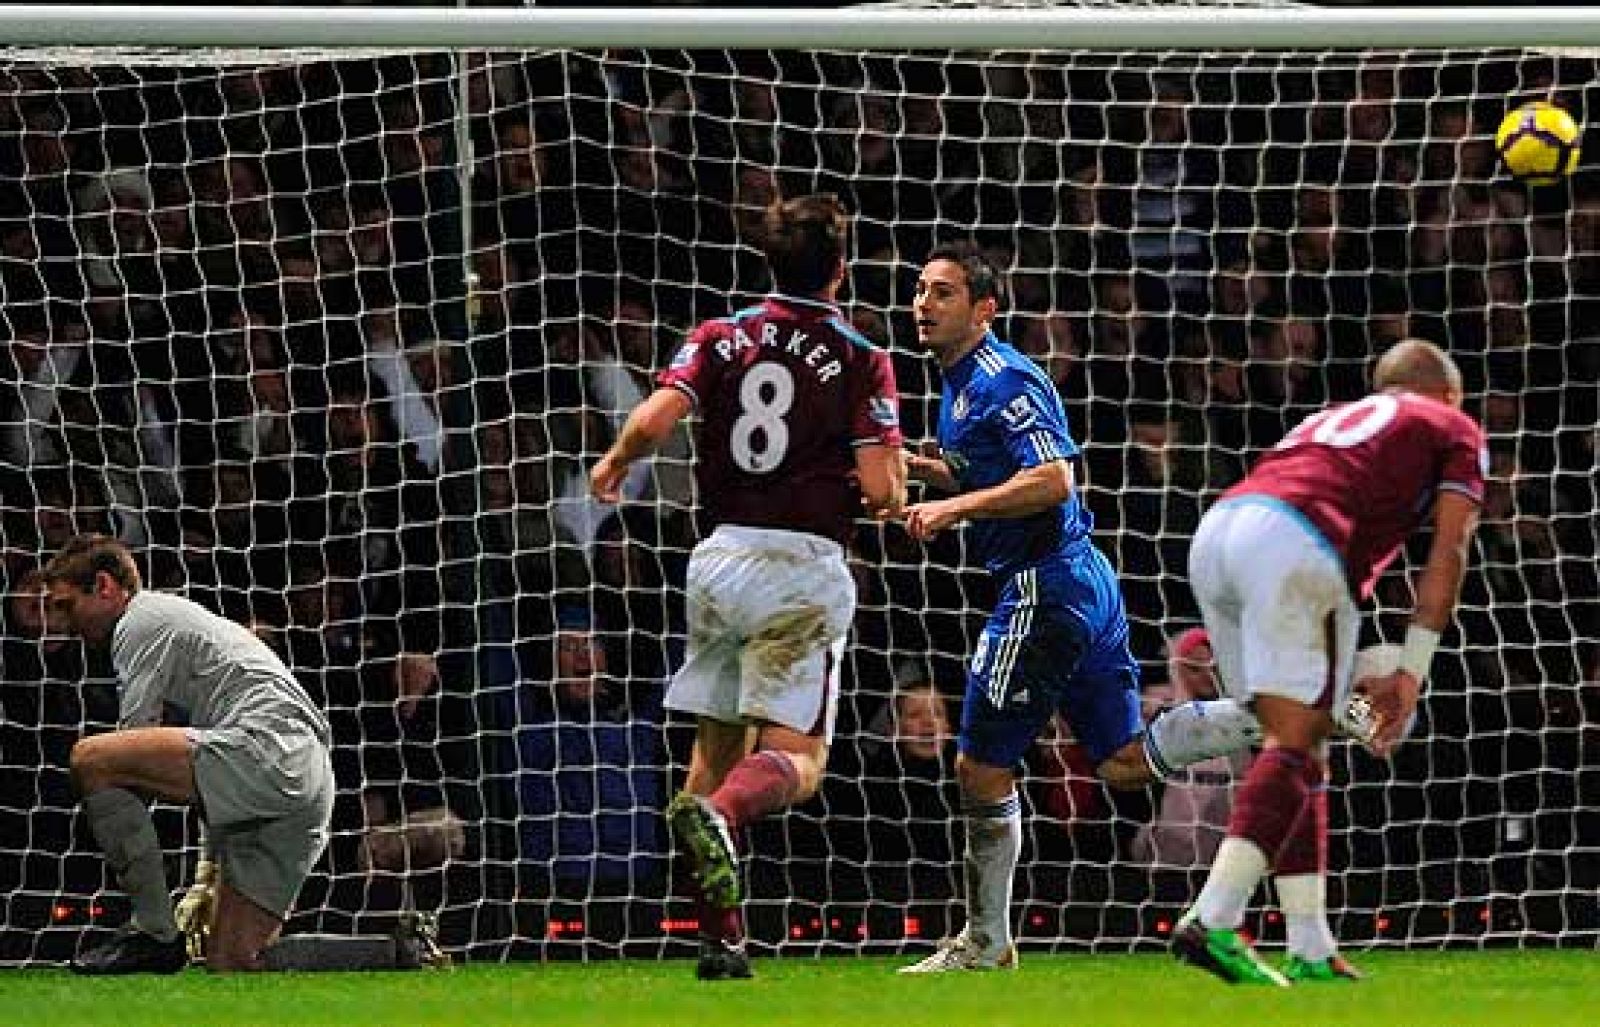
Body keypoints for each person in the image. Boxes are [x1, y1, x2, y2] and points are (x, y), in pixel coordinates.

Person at [589, 192, 908, 980]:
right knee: (799, 760)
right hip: (800, 569)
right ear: (841, 267)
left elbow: (658, 416)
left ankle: (721, 937)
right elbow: (880, 490)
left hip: (718, 559)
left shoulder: (719, 334)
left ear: (769, 259)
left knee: (713, 749)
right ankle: (724, 815)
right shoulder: (860, 354)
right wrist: (898, 480)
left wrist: (616, 461)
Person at [1172, 338, 1483, 986]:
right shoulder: (1452, 424)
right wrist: (1411, 670)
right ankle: (1215, 915)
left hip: (1220, 533)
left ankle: (1309, 945)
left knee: (1293, 747)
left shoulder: (1336, 419)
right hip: (1295, 540)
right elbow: (1449, 551)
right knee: (1298, 738)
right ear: (1450, 394)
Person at [41, 534, 335, 973]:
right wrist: (206, 870)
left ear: (104, 586)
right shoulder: (180, 622)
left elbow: (135, 750)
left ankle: (153, 933)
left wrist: (120, 855)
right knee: (234, 959)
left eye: (67, 606)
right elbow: (208, 769)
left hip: (270, 750)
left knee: (93, 759)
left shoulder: (139, 622)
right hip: (306, 774)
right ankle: (394, 951)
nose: (64, 623)